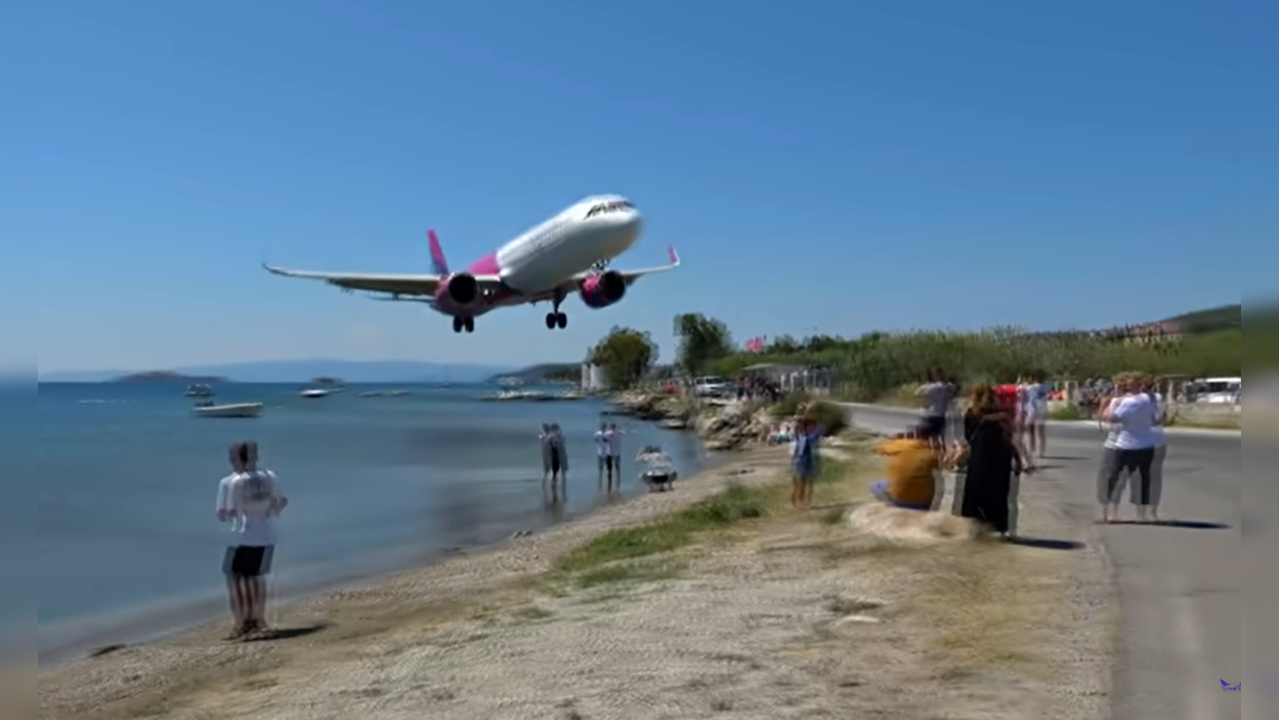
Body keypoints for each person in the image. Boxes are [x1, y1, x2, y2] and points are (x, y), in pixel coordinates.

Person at [217, 441, 286, 639]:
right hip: (266, 534)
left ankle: (242, 623)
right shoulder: (269, 477)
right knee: (255, 578)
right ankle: (258, 619)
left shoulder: (230, 482)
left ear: (236, 459)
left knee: (236, 578)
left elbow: (225, 513)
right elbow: (279, 505)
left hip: (241, 536)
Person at [960, 384, 1024, 537]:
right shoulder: (1000, 416)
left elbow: (969, 438)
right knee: (997, 498)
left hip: (980, 461)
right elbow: (1009, 439)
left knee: (975, 496)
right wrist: (1018, 459)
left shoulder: (970, 415)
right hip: (998, 461)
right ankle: (997, 530)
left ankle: (973, 531)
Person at [1096, 374, 1158, 523]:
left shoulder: (1126, 403)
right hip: (1147, 444)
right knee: (1144, 480)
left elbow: (1111, 418)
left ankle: (1109, 513)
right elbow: (1154, 415)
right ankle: (1142, 515)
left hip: (1125, 444)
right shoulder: (1148, 400)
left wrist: (1105, 404)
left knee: (1115, 479)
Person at [868, 427, 939, 511]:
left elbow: (876, 449)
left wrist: (894, 440)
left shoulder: (901, 445)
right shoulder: (932, 451)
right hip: (923, 503)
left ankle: (891, 507)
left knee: (875, 486)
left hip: (900, 500)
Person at [1137, 378, 1167, 522]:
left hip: (1154, 440)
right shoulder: (1135, 400)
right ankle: (1142, 513)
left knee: (1153, 478)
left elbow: (1158, 418)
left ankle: (1151, 512)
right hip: (1142, 441)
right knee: (1143, 478)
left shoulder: (1157, 399)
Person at [915, 369, 953, 448]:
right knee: (940, 437)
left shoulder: (931, 387)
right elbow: (953, 390)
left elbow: (917, 393)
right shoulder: (947, 387)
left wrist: (926, 392)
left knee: (927, 437)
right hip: (941, 415)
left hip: (930, 414)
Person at [790, 414, 821, 508]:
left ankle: (799, 500)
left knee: (803, 483)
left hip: (805, 461)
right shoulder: (803, 437)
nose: (814, 429)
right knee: (801, 483)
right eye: (812, 427)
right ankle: (799, 501)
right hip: (802, 461)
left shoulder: (805, 436)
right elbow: (800, 451)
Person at [1019, 371, 1050, 460]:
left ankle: (1031, 450)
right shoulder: (1044, 387)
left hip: (1031, 410)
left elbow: (1030, 400)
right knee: (1040, 431)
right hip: (1041, 410)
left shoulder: (1029, 388)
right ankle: (1041, 452)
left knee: (1030, 431)